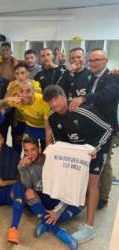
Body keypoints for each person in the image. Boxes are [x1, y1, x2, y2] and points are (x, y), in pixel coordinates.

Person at [43, 85, 113, 243]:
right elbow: (60, 140)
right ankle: (63, 206)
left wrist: (96, 147)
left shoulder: (82, 110)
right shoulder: (53, 117)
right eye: (49, 102)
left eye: (55, 99)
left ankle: (89, 227)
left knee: (92, 184)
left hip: (96, 149)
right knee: (70, 178)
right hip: (77, 152)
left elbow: (108, 130)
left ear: (63, 96)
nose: (53, 104)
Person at [69, 49, 119, 209]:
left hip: (106, 128)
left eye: (97, 60)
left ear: (106, 60)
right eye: (90, 60)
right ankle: (90, 191)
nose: (93, 63)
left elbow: (105, 95)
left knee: (105, 163)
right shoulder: (91, 77)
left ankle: (103, 197)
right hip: (90, 126)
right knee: (91, 158)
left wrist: (83, 98)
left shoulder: (113, 77)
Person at [19, 137, 80, 250]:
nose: (29, 153)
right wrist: (22, 169)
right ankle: (59, 233)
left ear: (39, 149)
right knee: (28, 193)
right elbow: (27, 186)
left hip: (58, 196)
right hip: (42, 198)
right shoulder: (23, 163)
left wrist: (57, 211)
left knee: (82, 199)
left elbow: (66, 188)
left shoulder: (50, 161)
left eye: (32, 149)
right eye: (26, 150)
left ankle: (44, 221)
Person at [0, 79, 52, 151]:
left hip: (44, 128)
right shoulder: (16, 100)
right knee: (29, 150)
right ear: (17, 92)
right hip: (30, 127)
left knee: (46, 150)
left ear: (33, 92)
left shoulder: (43, 102)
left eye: (28, 91)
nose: (24, 95)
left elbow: (48, 129)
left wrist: (49, 150)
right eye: (21, 91)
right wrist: (8, 99)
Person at [7, 62, 42, 154]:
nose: (20, 76)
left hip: (33, 120)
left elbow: (39, 98)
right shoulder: (12, 85)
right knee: (17, 143)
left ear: (27, 73)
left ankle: (33, 164)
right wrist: (11, 90)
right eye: (17, 74)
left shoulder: (35, 84)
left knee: (32, 145)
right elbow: (6, 101)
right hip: (18, 119)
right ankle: (16, 165)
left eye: (22, 73)